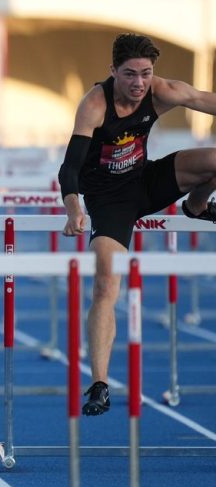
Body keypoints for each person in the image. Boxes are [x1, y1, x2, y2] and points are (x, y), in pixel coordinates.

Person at [59, 33, 216, 416]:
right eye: (129, 74)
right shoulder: (95, 104)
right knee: (105, 285)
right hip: (110, 203)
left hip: (147, 181)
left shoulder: (162, 91)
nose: (139, 83)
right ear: (113, 71)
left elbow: (201, 99)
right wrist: (72, 208)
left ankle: (196, 206)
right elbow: (69, 169)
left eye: (145, 74)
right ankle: (99, 384)